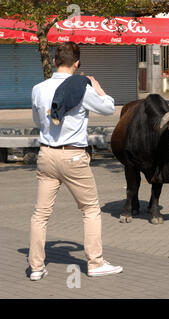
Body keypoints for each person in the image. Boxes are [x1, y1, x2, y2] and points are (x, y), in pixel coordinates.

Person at [29, 42, 123, 280]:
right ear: (77, 63)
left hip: (46, 154)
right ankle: (95, 263)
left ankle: (36, 268)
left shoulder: (38, 89)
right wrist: (99, 89)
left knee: (40, 214)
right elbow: (109, 108)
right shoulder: (83, 88)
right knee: (90, 209)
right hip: (73, 156)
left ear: (53, 61)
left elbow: (38, 121)